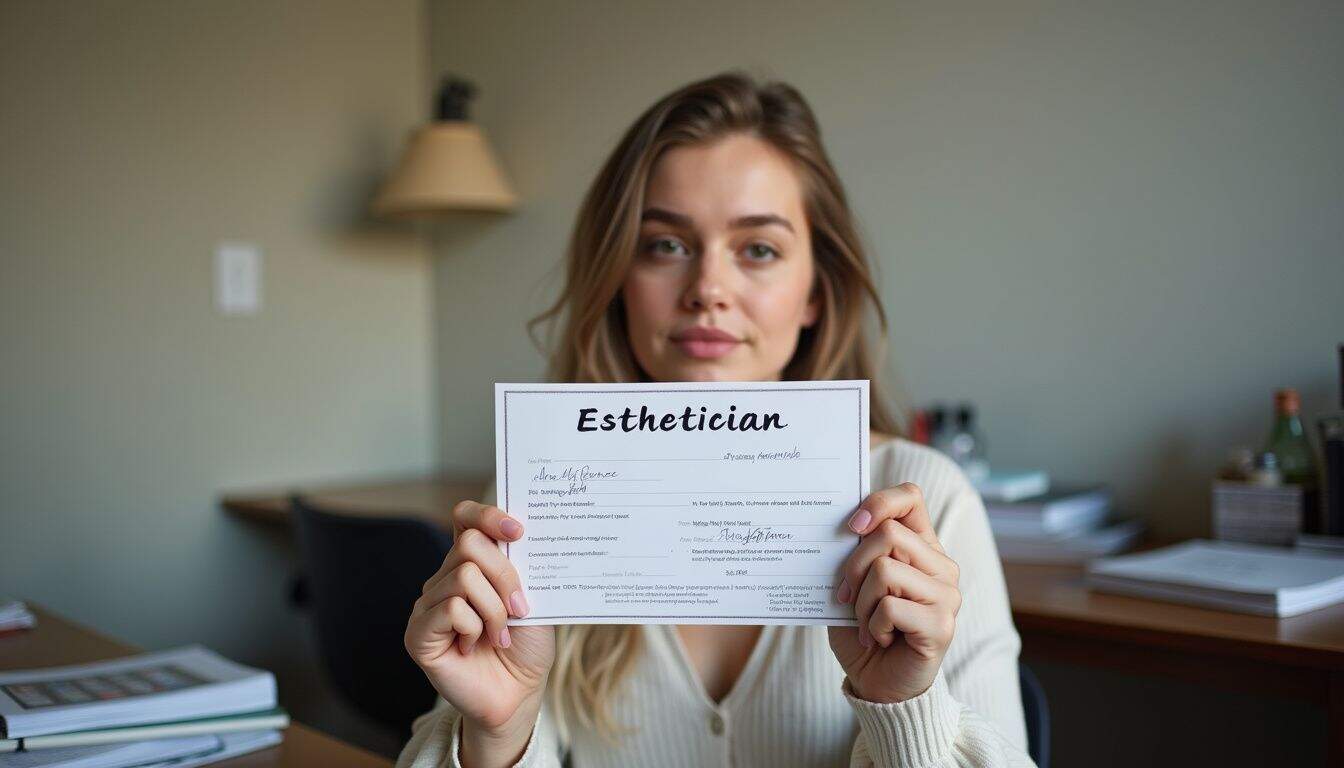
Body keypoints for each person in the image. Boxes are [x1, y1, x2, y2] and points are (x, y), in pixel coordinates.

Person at [397, 71, 1034, 768]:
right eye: (665, 245)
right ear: (617, 282)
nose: (707, 290)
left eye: (758, 249)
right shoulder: (531, 498)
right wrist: (496, 731)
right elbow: (489, 719)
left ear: (815, 293)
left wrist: (905, 710)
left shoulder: (927, 497)